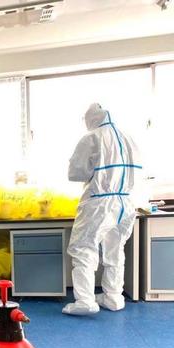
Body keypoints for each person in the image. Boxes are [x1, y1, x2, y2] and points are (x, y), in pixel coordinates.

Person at [63, 103, 141, 315]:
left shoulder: (92, 137)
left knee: (83, 248)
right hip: (126, 201)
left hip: (100, 201)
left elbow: (76, 174)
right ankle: (113, 297)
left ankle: (85, 302)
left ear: (91, 118)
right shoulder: (128, 137)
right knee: (115, 250)